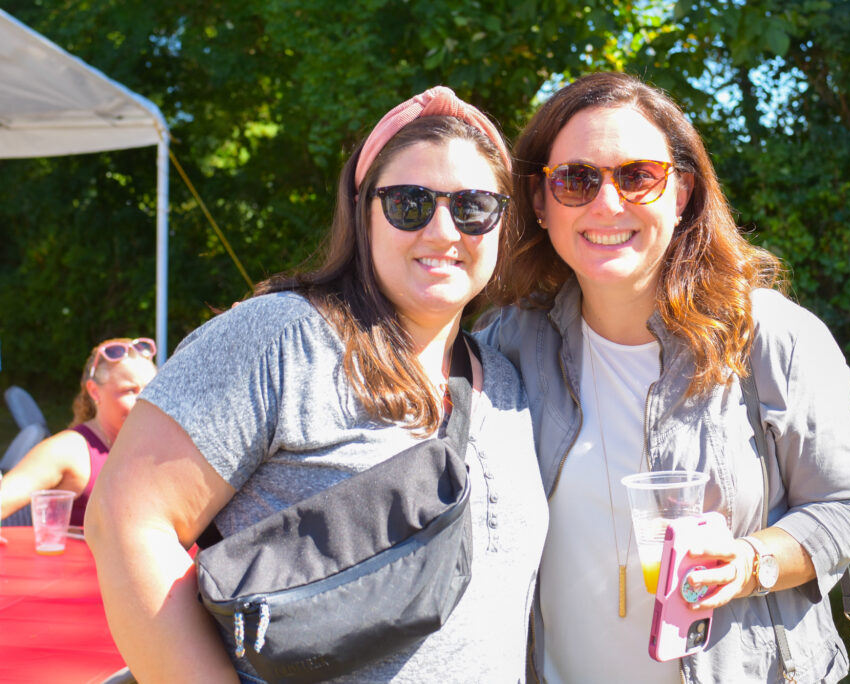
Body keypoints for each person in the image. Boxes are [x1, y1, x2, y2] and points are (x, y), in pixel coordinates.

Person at [85, 86, 547, 684]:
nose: (442, 230)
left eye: (474, 207)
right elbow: (125, 522)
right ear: (363, 212)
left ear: (503, 223)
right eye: (408, 203)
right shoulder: (280, 339)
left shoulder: (507, 378)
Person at [475, 71, 850, 683]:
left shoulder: (771, 336)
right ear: (539, 201)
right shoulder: (506, 343)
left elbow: (847, 509)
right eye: (576, 179)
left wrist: (748, 563)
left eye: (638, 176)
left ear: (682, 193)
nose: (607, 203)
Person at [0, 338, 156, 526]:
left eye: (152, 389)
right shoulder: (70, 450)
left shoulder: (154, 449)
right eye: (130, 390)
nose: (145, 400)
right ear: (95, 391)